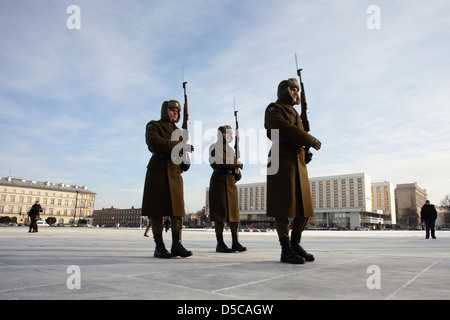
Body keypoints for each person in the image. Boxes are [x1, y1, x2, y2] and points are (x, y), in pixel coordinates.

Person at [264, 78, 322, 264]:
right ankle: (285, 249)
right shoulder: (274, 108)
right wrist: (308, 138)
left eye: (297, 90)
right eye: (292, 89)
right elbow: (281, 128)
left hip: (298, 161)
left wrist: (306, 152)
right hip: (281, 158)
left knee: (304, 207)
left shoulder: (297, 114)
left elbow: (296, 133)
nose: (295, 93)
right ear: (284, 90)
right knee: (282, 207)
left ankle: (295, 244)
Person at [142, 100, 193, 258]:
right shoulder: (154, 126)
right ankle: (159, 246)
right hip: (158, 170)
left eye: (177, 111)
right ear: (165, 111)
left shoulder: (179, 132)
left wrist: (186, 159)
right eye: (172, 110)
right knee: (156, 211)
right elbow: (155, 143)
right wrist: (179, 147)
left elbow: (182, 159)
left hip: (174, 171)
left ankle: (177, 244)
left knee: (177, 211)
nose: (175, 113)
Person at [208, 125, 246, 253]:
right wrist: (237, 163)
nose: (229, 136)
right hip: (219, 182)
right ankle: (220, 243)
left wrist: (237, 172)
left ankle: (235, 242)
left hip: (230, 182)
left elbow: (231, 164)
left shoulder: (230, 149)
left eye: (230, 134)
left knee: (234, 215)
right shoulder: (214, 147)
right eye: (226, 133)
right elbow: (220, 162)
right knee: (220, 215)